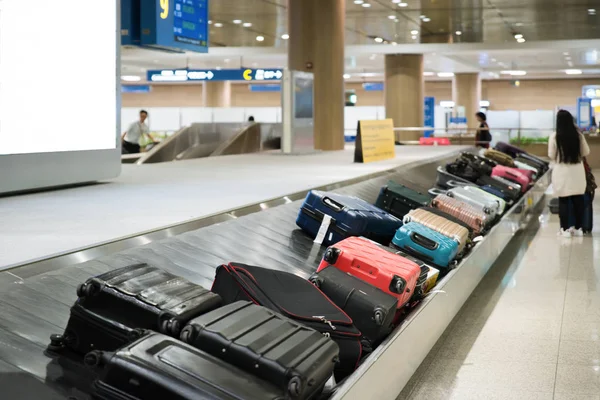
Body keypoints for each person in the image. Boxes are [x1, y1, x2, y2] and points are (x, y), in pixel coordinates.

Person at [548, 109, 590, 237]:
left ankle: (564, 229)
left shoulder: (555, 136)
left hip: (561, 171)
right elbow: (586, 152)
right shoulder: (578, 135)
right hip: (577, 171)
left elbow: (551, 155)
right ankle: (578, 228)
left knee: (564, 201)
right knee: (578, 201)